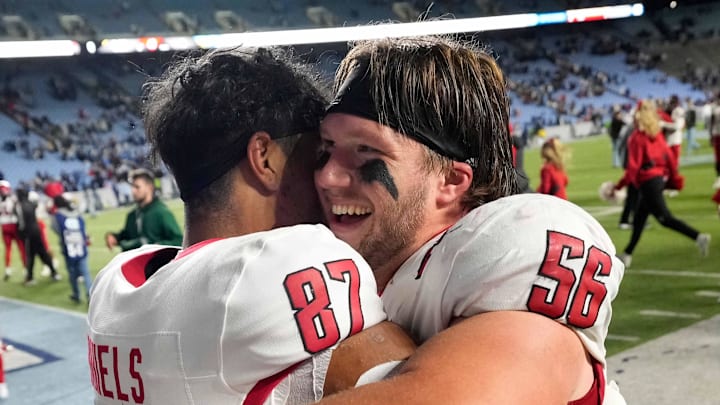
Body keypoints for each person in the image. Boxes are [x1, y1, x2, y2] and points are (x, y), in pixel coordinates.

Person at [87, 47, 414, 404]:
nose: (328, 177)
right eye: (318, 154)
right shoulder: (278, 266)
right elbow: (439, 389)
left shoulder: (113, 285)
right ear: (264, 157)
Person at [314, 35, 625, 404]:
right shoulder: (348, 266)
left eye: (366, 150)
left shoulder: (508, 246)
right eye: (327, 147)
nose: (326, 176)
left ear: (451, 180)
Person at [614, 99, 711, 268]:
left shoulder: (637, 137)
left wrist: (619, 185)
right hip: (658, 179)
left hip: (648, 182)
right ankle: (627, 253)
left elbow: (633, 167)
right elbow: (670, 159)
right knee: (639, 219)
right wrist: (674, 179)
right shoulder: (657, 134)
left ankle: (699, 237)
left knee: (665, 219)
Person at [104, 168, 182, 251]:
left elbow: (178, 240)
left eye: (137, 187)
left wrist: (157, 246)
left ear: (150, 187)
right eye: (132, 187)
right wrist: (115, 237)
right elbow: (128, 235)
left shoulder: (161, 213)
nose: (133, 191)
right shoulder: (132, 215)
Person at [14, 188, 61, 285]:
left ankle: (30, 278)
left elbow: (21, 223)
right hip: (37, 231)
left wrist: (21, 235)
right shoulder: (32, 204)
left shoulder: (19, 206)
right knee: (43, 253)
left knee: (30, 256)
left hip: (28, 233)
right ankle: (54, 273)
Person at [51, 194, 92, 304]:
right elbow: (83, 226)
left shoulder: (57, 216)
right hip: (80, 245)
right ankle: (90, 295)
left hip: (68, 247)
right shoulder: (75, 212)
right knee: (85, 272)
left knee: (72, 273)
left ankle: (76, 294)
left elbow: (55, 229)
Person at [0, 180, 26, 281]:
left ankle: (7, 270)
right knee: (21, 248)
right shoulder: (13, 198)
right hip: (14, 225)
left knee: (8, 249)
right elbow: (18, 211)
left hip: (4, 226)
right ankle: (25, 269)